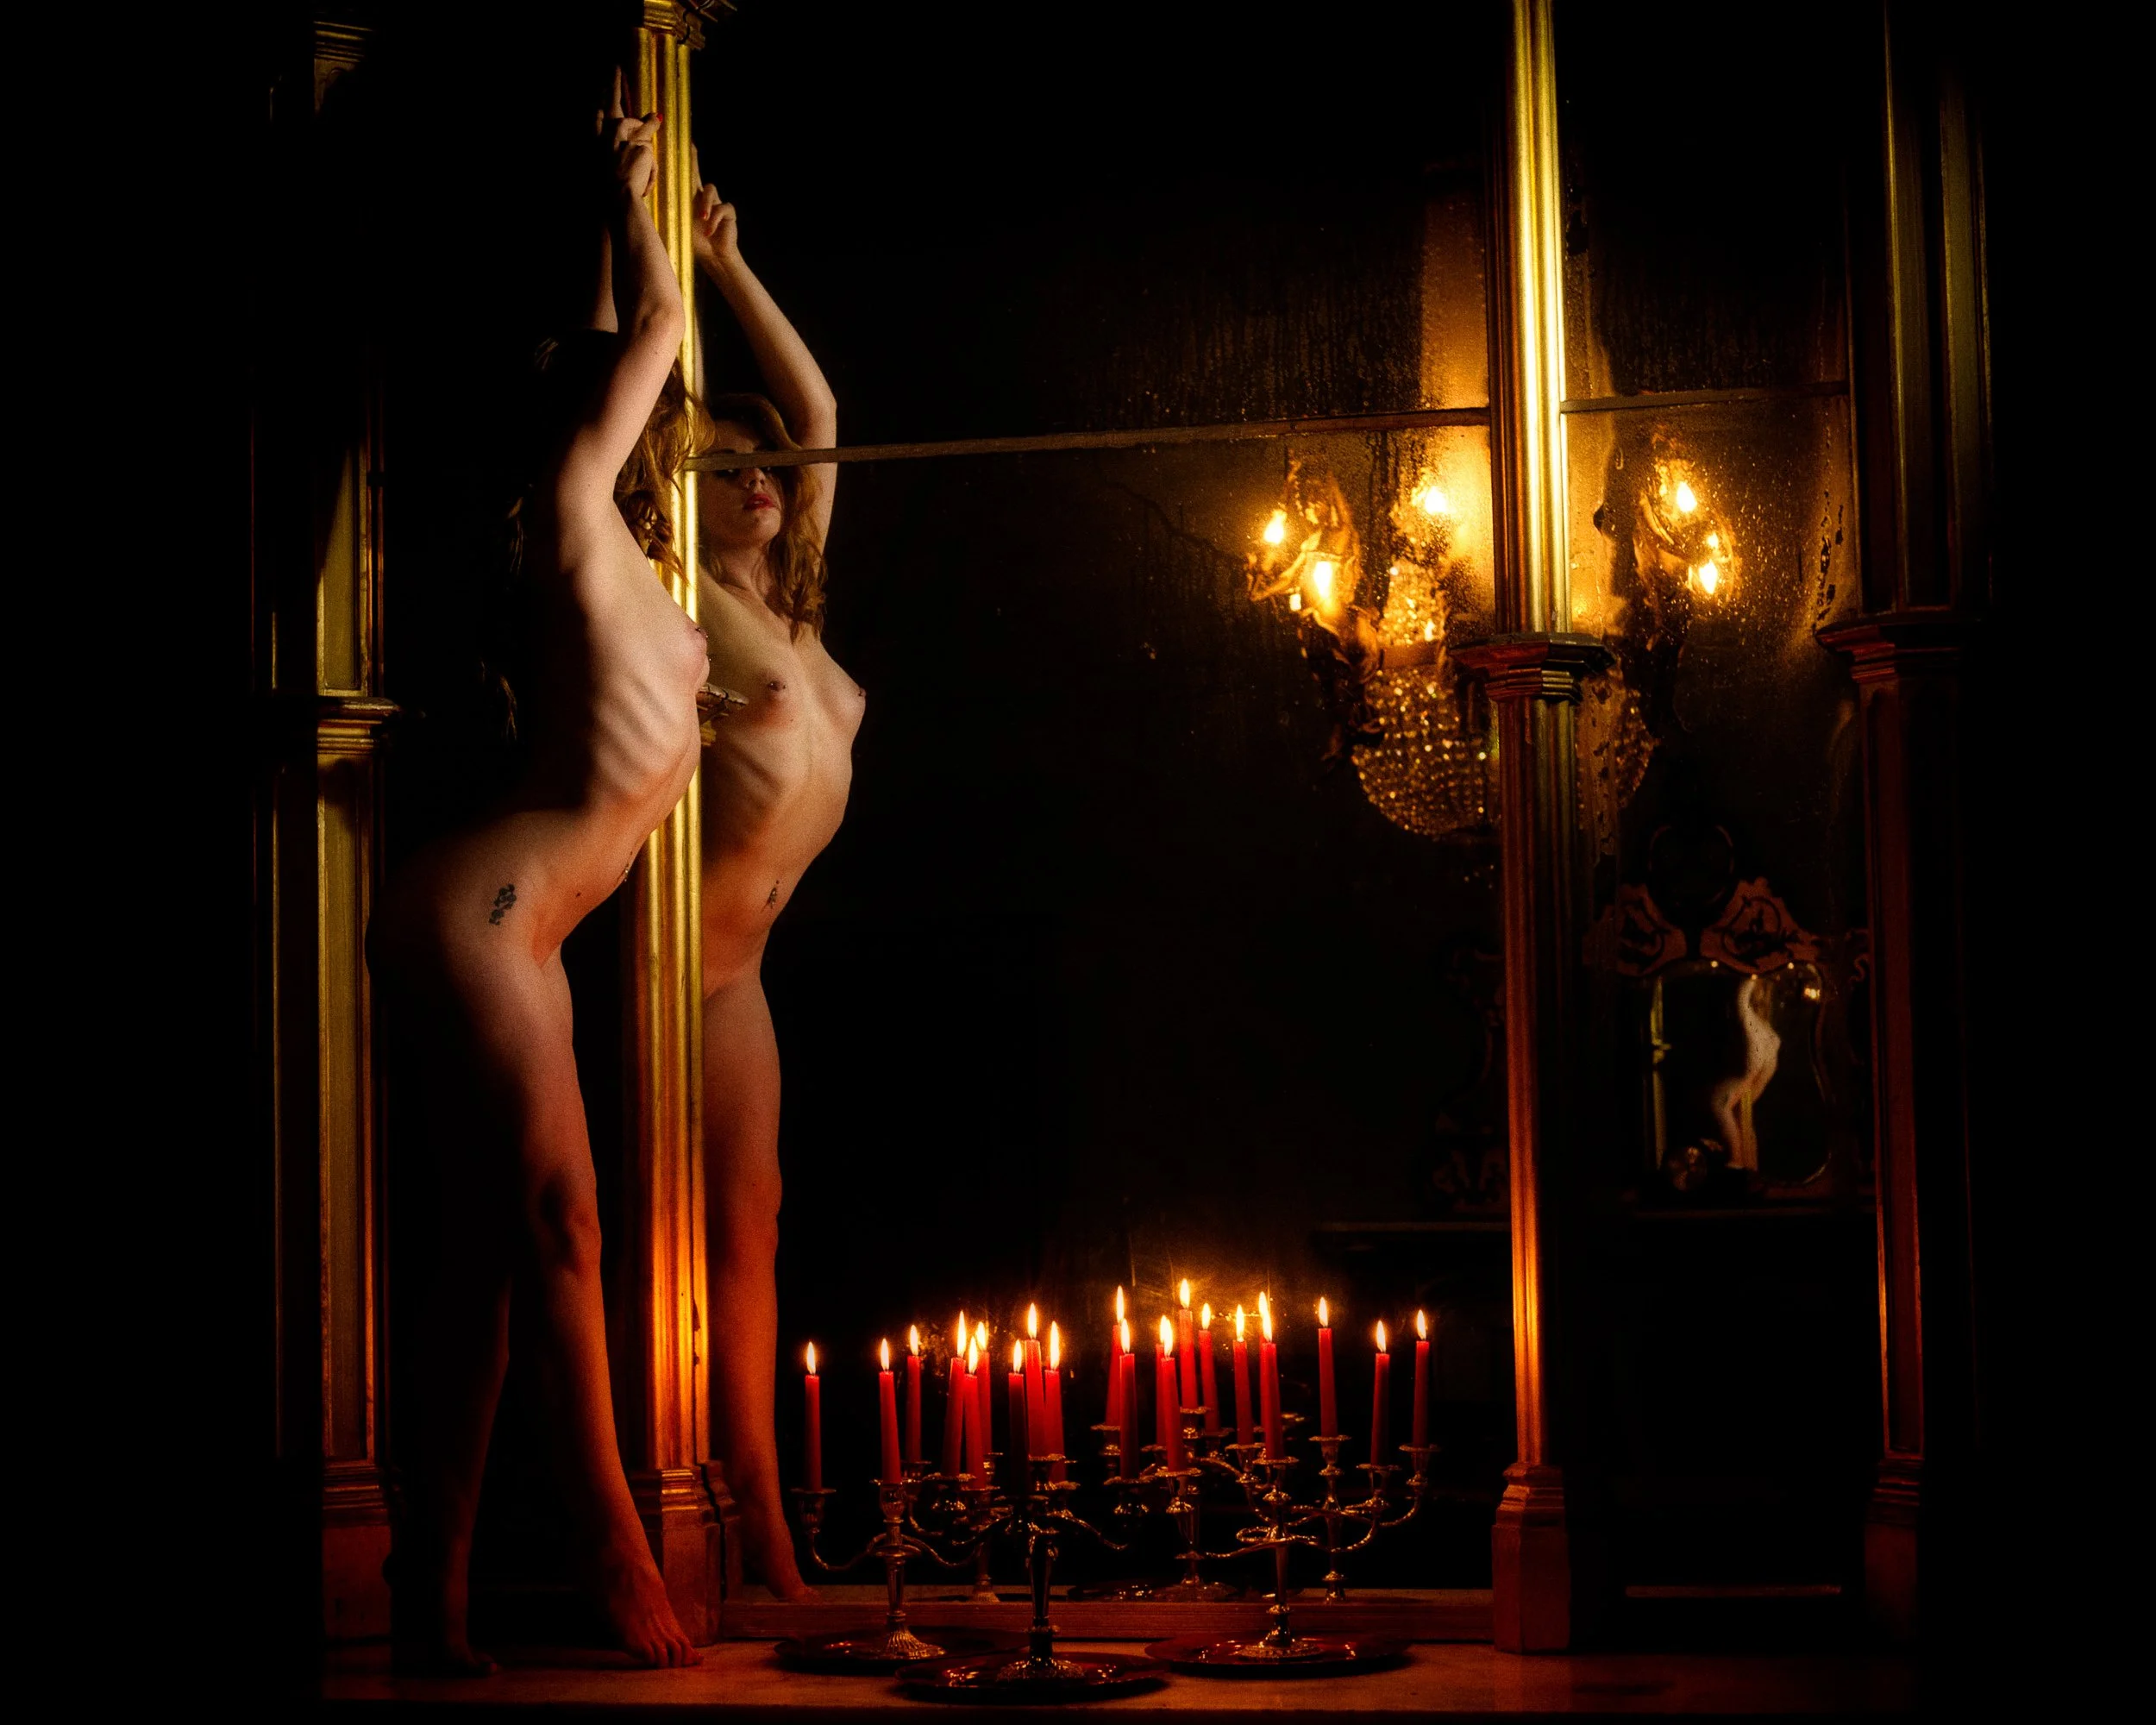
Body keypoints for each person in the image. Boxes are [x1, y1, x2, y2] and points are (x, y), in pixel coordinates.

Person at [370, 78, 706, 1672]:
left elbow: (606, 355)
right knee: (560, 1228)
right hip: (491, 917)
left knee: (497, 1266)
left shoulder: (607, 539)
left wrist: (607, 226)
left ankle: (430, 1584)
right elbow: (652, 337)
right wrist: (634, 187)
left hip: (524, 927)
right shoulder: (574, 511)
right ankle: (607, 1537)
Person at [686, 155, 862, 1599]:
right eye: (721, 471)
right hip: (664, 968)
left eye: (760, 474)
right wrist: (652, 278)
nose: (759, 480)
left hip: (739, 975)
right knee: (625, 1234)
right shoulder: (673, 603)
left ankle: (763, 1524)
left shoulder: (788, 598)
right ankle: (703, 1511)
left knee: (756, 1221)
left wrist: (726, 262)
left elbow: (818, 418)